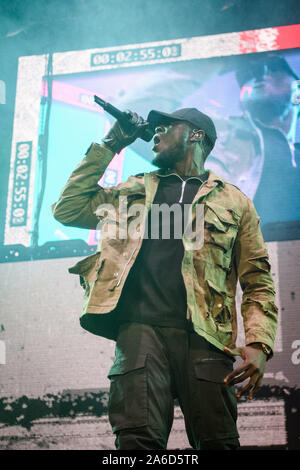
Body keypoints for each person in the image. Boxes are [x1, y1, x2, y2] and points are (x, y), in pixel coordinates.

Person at [52, 107, 278, 450]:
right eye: (153, 129)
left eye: (166, 128)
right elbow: (68, 209)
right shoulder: (134, 189)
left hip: (206, 338)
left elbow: (258, 281)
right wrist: (113, 142)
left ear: (196, 134)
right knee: (136, 442)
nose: (155, 134)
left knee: (218, 441)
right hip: (140, 334)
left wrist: (260, 343)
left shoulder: (236, 203)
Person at [207, 54, 300, 232]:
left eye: (275, 69)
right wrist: (206, 62)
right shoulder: (215, 141)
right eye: (250, 73)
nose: (260, 74)